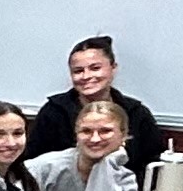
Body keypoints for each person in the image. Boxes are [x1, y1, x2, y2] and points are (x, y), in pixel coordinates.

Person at [26, 35, 170, 174]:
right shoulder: (54, 112)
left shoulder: (136, 113)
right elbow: (34, 163)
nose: (86, 76)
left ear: (113, 68)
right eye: (78, 71)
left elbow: (154, 165)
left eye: (95, 68)